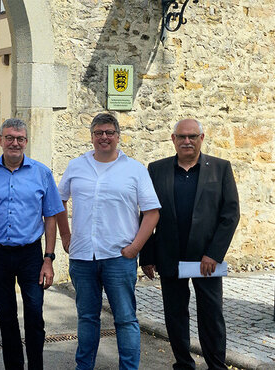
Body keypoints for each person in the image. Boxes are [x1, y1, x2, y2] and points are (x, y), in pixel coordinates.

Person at [57, 113, 161, 370]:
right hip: (83, 257)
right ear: (91, 136)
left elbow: (152, 212)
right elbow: (58, 201)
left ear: (117, 136)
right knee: (87, 318)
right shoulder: (76, 166)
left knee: (125, 319)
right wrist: (66, 235)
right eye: (98, 133)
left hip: (119, 257)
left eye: (109, 132)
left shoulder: (134, 169)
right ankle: (84, 367)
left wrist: (136, 247)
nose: (104, 137)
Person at [140, 119, 240, 370]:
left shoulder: (220, 168)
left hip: (206, 260)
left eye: (192, 136)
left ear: (202, 138)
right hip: (169, 255)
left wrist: (214, 254)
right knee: (174, 315)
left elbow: (230, 215)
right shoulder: (156, 169)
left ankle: (217, 365)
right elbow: (147, 214)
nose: (187, 141)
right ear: (173, 139)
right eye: (182, 137)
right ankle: (183, 364)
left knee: (211, 315)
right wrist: (148, 255)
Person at [0, 118, 64, 370]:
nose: (14, 143)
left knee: (34, 315)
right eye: (9, 137)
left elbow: (51, 216)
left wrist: (48, 259)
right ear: (0, 140)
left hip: (31, 254)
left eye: (20, 138)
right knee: (6, 317)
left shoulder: (42, 173)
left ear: (26, 142)